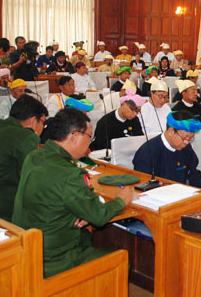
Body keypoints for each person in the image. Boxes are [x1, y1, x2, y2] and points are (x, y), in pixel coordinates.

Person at [12, 108, 133, 278]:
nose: (90, 144)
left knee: (86, 234)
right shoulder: (70, 173)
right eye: (89, 137)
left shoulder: (35, 156)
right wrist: (121, 200)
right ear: (75, 136)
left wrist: (82, 210)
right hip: (53, 258)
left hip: (26, 247)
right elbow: (99, 216)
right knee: (123, 258)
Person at [133, 111, 201, 189]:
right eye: (184, 138)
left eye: (190, 139)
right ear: (171, 131)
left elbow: (191, 172)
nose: (187, 142)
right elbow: (143, 185)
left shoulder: (185, 148)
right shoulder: (147, 152)